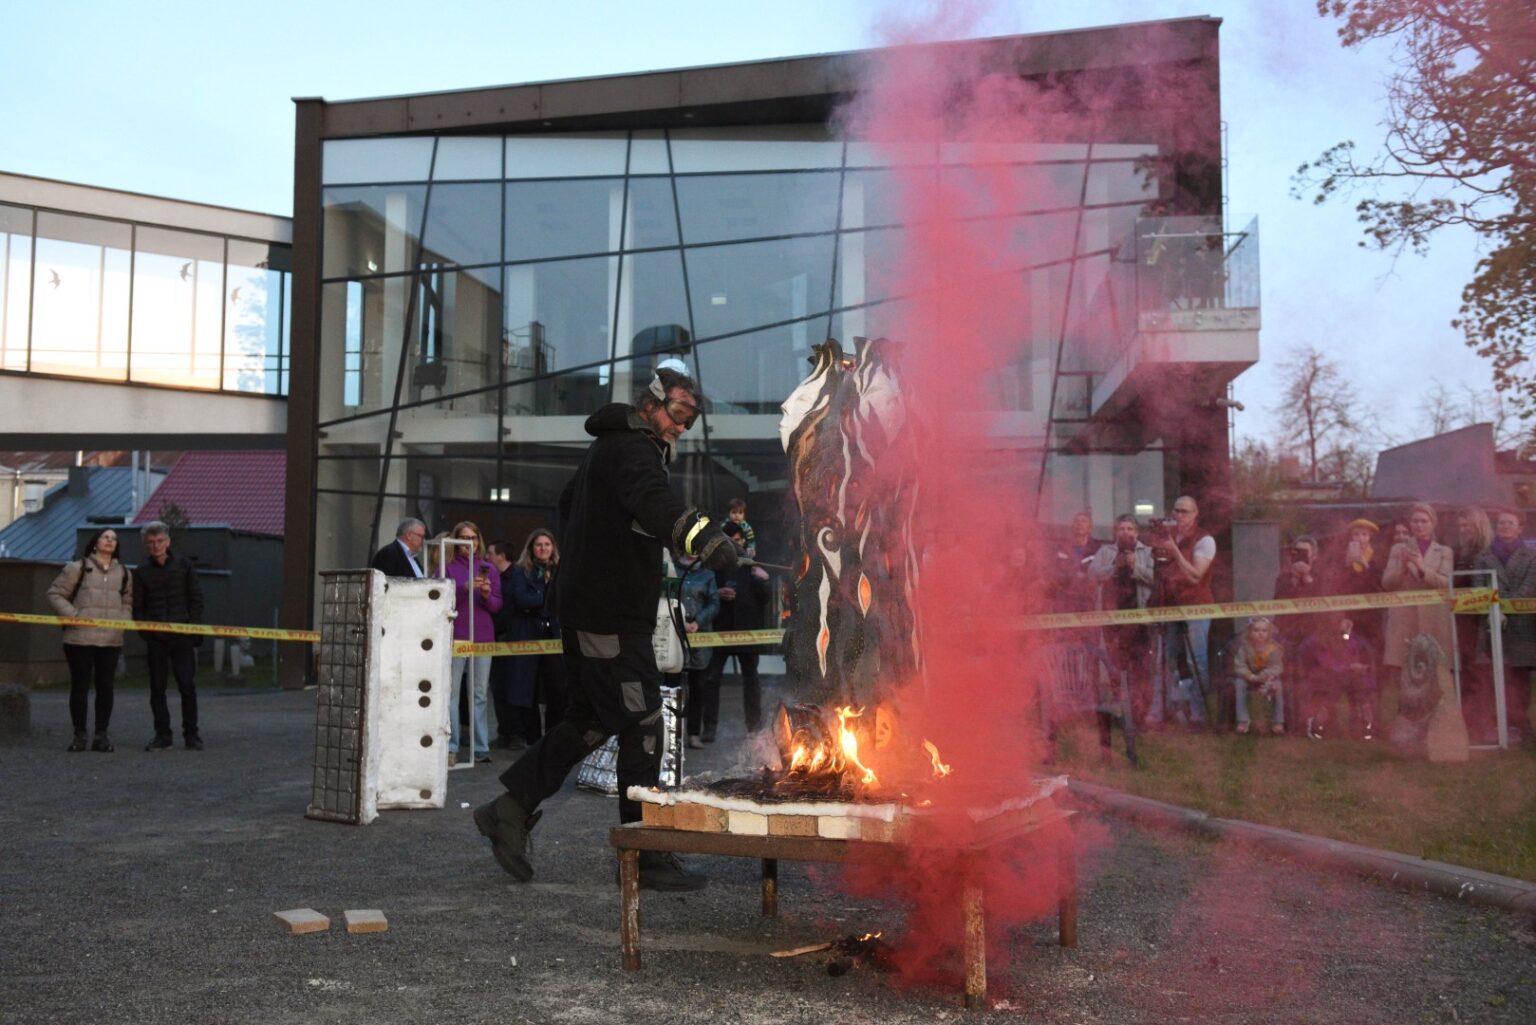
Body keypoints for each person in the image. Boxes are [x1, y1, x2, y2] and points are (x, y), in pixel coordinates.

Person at [474, 367, 737, 892]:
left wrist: (607, 546)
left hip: (596, 609)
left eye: (689, 420)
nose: (681, 426)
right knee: (643, 721)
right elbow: (655, 502)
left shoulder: (608, 449)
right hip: (609, 615)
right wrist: (704, 536)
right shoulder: (634, 449)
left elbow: (571, 503)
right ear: (651, 404)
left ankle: (509, 808)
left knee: (592, 720)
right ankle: (642, 854)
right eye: (678, 413)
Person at [46, 528, 132, 752]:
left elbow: (127, 602)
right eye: (105, 537)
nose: (110, 541)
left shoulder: (124, 573)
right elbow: (54, 594)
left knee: (106, 687)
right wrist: (74, 616)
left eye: (114, 538)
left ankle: (101, 736)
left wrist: (122, 622)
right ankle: (79, 735)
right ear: (95, 542)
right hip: (79, 638)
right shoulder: (77, 568)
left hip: (111, 639)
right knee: (80, 685)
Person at [133, 521, 205, 751]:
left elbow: (196, 599)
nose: (156, 546)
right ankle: (162, 735)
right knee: (157, 688)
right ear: (146, 545)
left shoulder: (184, 566)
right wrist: (146, 632)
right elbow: (138, 607)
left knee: (187, 686)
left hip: (182, 635)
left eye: (159, 541)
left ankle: (191, 734)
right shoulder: (141, 571)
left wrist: (193, 628)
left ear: (168, 541)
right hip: (156, 639)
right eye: (151, 542)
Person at [1148, 495, 1216, 727]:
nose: (1179, 515)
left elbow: (1195, 576)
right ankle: (1160, 708)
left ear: (1195, 514)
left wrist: (1174, 551)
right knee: (1163, 659)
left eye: (1185, 511)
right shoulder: (1168, 537)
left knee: (1196, 660)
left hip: (1196, 606)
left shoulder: (1204, 540)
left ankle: (1198, 712)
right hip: (1169, 605)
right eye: (1176, 510)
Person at [1380, 503, 1454, 716]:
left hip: (1434, 619)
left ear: (1433, 524)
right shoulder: (1397, 550)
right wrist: (1402, 567)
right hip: (1404, 620)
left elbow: (1445, 582)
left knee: (1435, 671)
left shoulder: (1444, 551)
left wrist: (1422, 568)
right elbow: (1387, 583)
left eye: (1424, 521)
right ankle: (1405, 718)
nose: (1419, 525)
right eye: (1415, 521)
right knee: (1405, 671)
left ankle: (1437, 717)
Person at [1471, 508, 1536, 745]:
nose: (1505, 527)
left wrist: (1504, 606)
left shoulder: (1532, 557)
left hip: (1522, 627)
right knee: (1493, 680)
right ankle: (1496, 726)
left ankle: (1520, 725)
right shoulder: (1482, 557)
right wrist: (1493, 610)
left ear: (1520, 527)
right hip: (1492, 627)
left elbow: (1529, 587)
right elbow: (1479, 588)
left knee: (1520, 681)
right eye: (1501, 523)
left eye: (1510, 523)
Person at [704, 520, 771, 740]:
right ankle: (709, 728)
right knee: (712, 679)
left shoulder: (751, 567)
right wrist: (717, 592)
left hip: (747, 631)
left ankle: (754, 727)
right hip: (721, 630)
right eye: (731, 541)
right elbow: (705, 594)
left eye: (739, 540)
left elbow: (765, 598)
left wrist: (764, 580)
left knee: (751, 679)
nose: (736, 544)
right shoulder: (715, 567)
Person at [502, 530, 568, 747]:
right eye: (539, 544)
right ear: (531, 548)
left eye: (547, 544)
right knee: (526, 690)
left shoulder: (560, 570)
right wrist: (546, 597)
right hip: (528, 634)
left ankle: (553, 738)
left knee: (557, 689)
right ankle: (533, 740)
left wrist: (542, 600)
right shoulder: (520, 571)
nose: (543, 548)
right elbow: (521, 599)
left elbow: (565, 599)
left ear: (553, 547)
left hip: (553, 635)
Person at [1087, 514, 1155, 722]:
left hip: (1140, 621)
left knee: (1141, 667)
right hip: (1112, 621)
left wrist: (1136, 567)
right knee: (1116, 666)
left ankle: (1141, 712)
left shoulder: (1147, 552)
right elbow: (1092, 574)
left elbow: (1156, 578)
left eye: (1129, 529)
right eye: (1121, 529)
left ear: (1137, 532)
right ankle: (1120, 709)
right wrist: (1114, 568)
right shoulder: (1105, 551)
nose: (1125, 533)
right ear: (1115, 532)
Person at [445, 521, 501, 764]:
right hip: (456, 634)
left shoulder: (488, 568)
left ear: (479, 541)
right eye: (464, 538)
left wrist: (487, 595)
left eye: (474, 538)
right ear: (456, 541)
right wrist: (464, 588)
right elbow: (439, 600)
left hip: (483, 635)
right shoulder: (447, 568)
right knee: (451, 693)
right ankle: (451, 746)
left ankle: (481, 746)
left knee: (479, 693)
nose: (470, 543)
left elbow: (497, 606)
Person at [1298, 615, 1377, 740]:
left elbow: (1359, 652)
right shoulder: (1319, 640)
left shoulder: (1351, 638)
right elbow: (1326, 662)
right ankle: (1317, 726)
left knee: (1362, 694)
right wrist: (1349, 667)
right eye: (1342, 621)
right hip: (1328, 677)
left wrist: (1347, 635)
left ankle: (1368, 727)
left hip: (1351, 676)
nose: (1347, 624)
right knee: (1330, 696)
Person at [672, 549, 720, 749]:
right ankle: (672, 735)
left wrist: (698, 622)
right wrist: (680, 621)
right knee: (672, 688)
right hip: (675, 636)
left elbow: (714, 603)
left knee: (698, 688)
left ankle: (693, 734)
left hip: (700, 640)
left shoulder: (708, 575)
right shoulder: (672, 570)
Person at [487, 541, 526, 750]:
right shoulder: (493, 576)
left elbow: (512, 606)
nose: (487, 557)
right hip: (497, 637)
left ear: (501, 555)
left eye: (490, 553)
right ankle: (504, 732)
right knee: (498, 687)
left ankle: (517, 733)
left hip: (512, 637)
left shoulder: (517, 575)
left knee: (514, 686)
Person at [1233, 617, 1285, 735]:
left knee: (1278, 685)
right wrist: (1249, 675)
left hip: (1268, 678)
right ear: (1250, 632)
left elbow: (1277, 667)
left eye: (1264, 630)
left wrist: (1265, 675)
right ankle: (1243, 720)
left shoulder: (1274, 648)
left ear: (1269, 632)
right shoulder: (1245, 648)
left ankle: (1278, 721)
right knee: (1239, 683)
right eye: (1256, 630)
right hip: (1249, 677)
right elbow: (1239, 664)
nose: (1260, 634)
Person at [1052, 511, 1104, 613]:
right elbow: (1055, 570)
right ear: (1072, 527)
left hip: (1089, 602)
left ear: (1090, 528)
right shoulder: (1061, 547)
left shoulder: (1098, 549)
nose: (1079, 523)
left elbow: (1101, 573)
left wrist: (1086, 577)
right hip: (1064, 600)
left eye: (1083, 521)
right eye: (1077, 521)